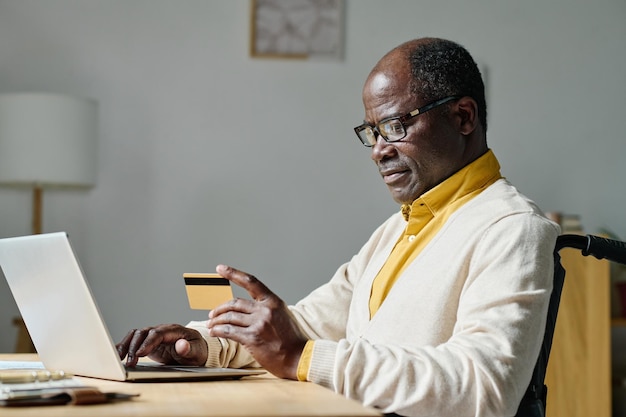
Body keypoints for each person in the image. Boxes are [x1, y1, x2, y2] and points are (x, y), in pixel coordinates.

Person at [117, 37, 559, 417]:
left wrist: (301, 357)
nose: (378, 151)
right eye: (372, 131)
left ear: (463, 117)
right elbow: (309, 324)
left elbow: (486, 390)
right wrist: (201, 346)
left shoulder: (513, 229)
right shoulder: (396, 231)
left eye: (395, 125)